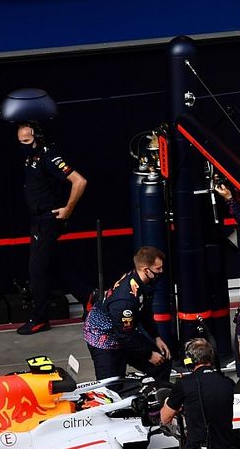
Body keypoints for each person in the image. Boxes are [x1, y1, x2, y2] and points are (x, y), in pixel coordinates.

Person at [15, 122, 90, 335]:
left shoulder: (49, 156)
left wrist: (67, 209)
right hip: (36, 219)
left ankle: (39, 319)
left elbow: (80, 181)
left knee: (36, 270)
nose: (24, 146)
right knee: (53, 265)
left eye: (27, 141)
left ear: (38, 137)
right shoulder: (31, 156)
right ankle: (88, 296)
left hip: (48, 219)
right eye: (20, 142)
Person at [84, 246, 171, 382]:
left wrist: (156, 337)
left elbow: (144, 312)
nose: (161, 271)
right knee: (111, 389)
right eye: (158, 269)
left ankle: (161, 398)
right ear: (145, 270)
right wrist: (149, 354)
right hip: (103, 337)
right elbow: (123, 336)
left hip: (125, 330)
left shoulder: (142, 283)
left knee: (163, 363)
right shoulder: (125, 300)